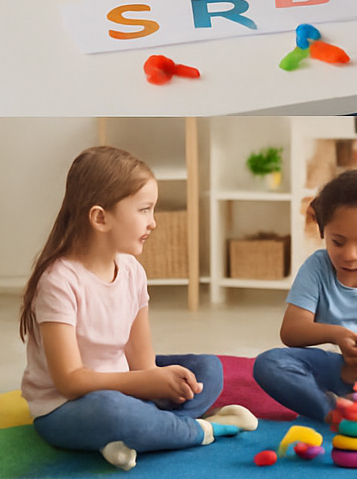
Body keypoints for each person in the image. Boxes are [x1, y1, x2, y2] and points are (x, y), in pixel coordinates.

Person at [20, 147, 257, 471]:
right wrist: (146, 383)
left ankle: (135, 434)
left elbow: (141, 362)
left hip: (126, 390)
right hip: (66, 408)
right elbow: (69, 382)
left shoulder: (132, 271)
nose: (154, 223)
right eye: (144, 210)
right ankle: (205, 429)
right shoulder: (59, 281)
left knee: (208, 370)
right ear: (100, 217)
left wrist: (156, 378)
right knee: (113, 412)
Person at [252, 170, 357, 421]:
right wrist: (339, 334)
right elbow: (291, 331)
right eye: (338, 242)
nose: (350, 255)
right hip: (331, 367)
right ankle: (332, 410)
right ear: (323, 231)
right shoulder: (315, 268)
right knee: (269, 364)